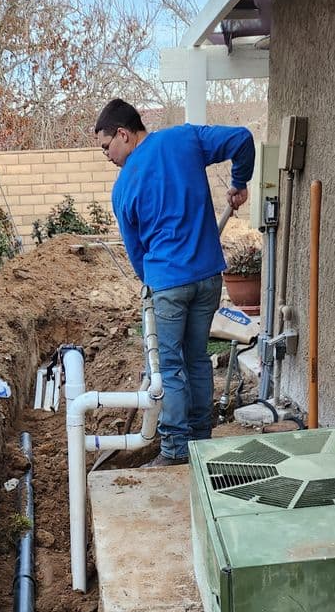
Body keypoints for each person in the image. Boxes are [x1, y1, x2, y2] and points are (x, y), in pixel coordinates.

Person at [94, 99, 255, 466]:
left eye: (107, 146)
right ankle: (201, 441)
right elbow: (243, 139)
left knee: (168, 368)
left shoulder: (123, 187)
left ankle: (175, 451)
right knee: (197, 359)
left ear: (123, 134)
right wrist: (239, 182)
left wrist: (150, 282)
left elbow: (137, 253)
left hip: (167, 285)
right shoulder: (186, 139)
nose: (107, 155)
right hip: (208, 278)